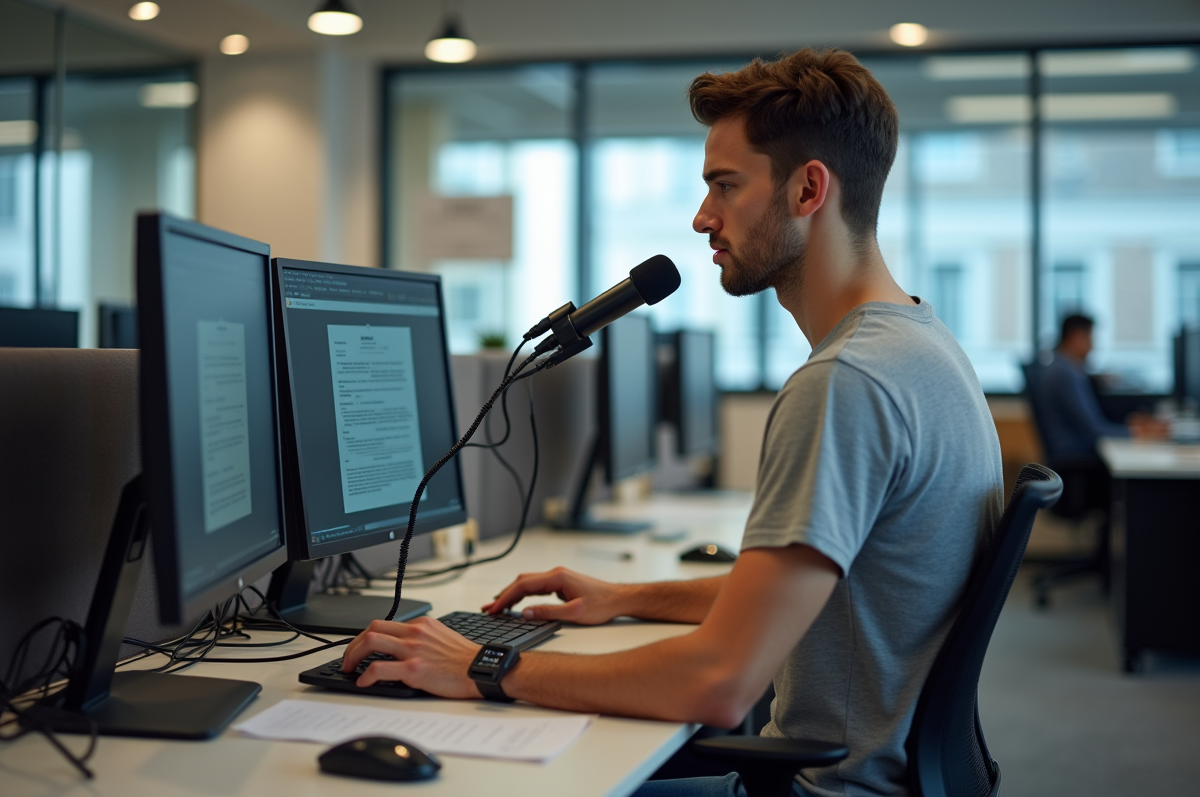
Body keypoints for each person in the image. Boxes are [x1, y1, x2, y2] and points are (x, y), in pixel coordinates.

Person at [341, 48, 1004, 797]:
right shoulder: (923, 344)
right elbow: (808, 594)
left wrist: (482, 666)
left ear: (809, 188)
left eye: (725, 186)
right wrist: (627, 598)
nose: (702, 218)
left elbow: (719, 683)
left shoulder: (845, 384)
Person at [1039, 313, 1166, 462]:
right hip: (1075, 455)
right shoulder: (1064, 374)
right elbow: (1094, 430)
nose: (1092, 347)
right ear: (1077, 337)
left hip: (1078, 448)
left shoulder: (1064, 368)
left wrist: (1132, 427)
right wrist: (1137, 432)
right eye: (1090, 339)